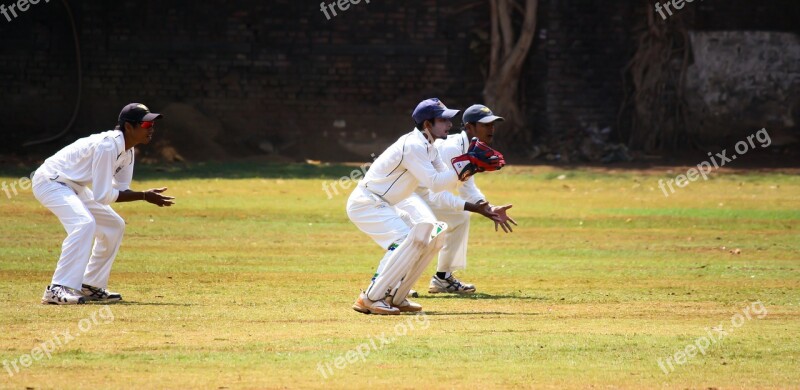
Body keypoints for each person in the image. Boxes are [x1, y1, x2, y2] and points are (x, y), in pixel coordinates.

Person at [346, 98, 506, 315]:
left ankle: (397, 297)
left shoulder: (429, 146)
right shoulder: (413, 145)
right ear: (427, 124)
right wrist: (469, 163)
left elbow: (443, 182)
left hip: (388, 203)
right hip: (368, 202)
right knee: (405, 241)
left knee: (431, 238)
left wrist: (470, 167)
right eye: (443, 120)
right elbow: (434, 182)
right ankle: (371, 297)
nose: (449, 124)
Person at [33, 103, 175, 305]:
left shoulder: (128, 151)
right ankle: (57, 288)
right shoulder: (108, 146)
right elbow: (102, 195)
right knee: (84, 224)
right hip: (50, 181)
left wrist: (144, 195)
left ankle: (89, 285)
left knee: (114, 225)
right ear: (128, 127)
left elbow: (121, 188)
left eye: (152, 124)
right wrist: (144, 195)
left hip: (74, 185)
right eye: (145, 125)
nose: (151, 128)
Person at [397, 104, 516, 296]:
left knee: (459, 219)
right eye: (485, 125)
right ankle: (396, 282)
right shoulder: (450, 148)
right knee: (423, 233)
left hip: (427, 196)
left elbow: (466, 186)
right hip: (408, 195)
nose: (491, 129)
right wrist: (473, 208)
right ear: (469, 127)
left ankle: (442, 277)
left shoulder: (471, 148)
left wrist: (488, 207)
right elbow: (436, 190)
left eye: (493, 124)